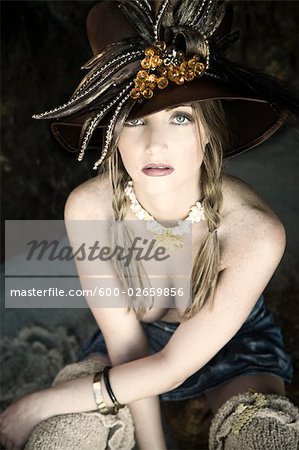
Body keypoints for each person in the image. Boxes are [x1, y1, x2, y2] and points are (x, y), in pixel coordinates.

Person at [1, 1, 299, 449]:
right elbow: (127, 344)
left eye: (180, 118)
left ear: (209, 132)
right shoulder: (88, 209)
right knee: (63, 438)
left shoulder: (256, 232)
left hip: (235, 351)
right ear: (112, 131)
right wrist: (151, 445)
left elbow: (173, 365)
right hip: (124, 356)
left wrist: (41, 401)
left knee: (263, 437)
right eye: (135, 119)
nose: (154, 144)